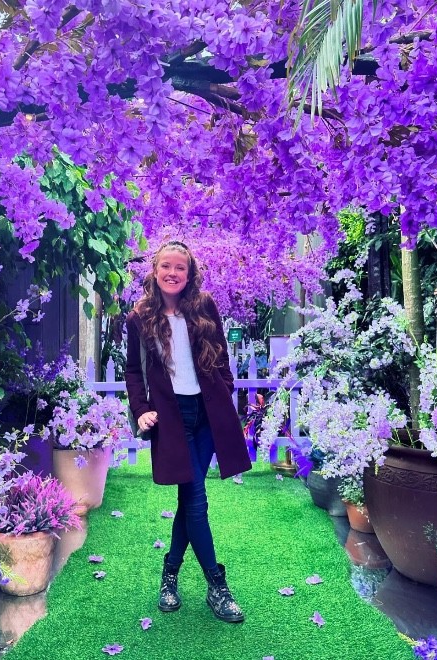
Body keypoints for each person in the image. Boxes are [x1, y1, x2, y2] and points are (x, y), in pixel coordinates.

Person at [125, 240, 252, 623]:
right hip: (171, 417)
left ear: (189, 272)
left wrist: (225, 388)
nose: (172, 273)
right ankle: (217, 584)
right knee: (195, 500)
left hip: (208, 414)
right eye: (166, 266)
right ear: (155, 270)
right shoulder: (139, 317)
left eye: (180, 267)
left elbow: (222, 357)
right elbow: (133, 371)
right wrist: (141, 410)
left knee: (189, 498)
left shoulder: (204, 307)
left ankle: (170, 576)